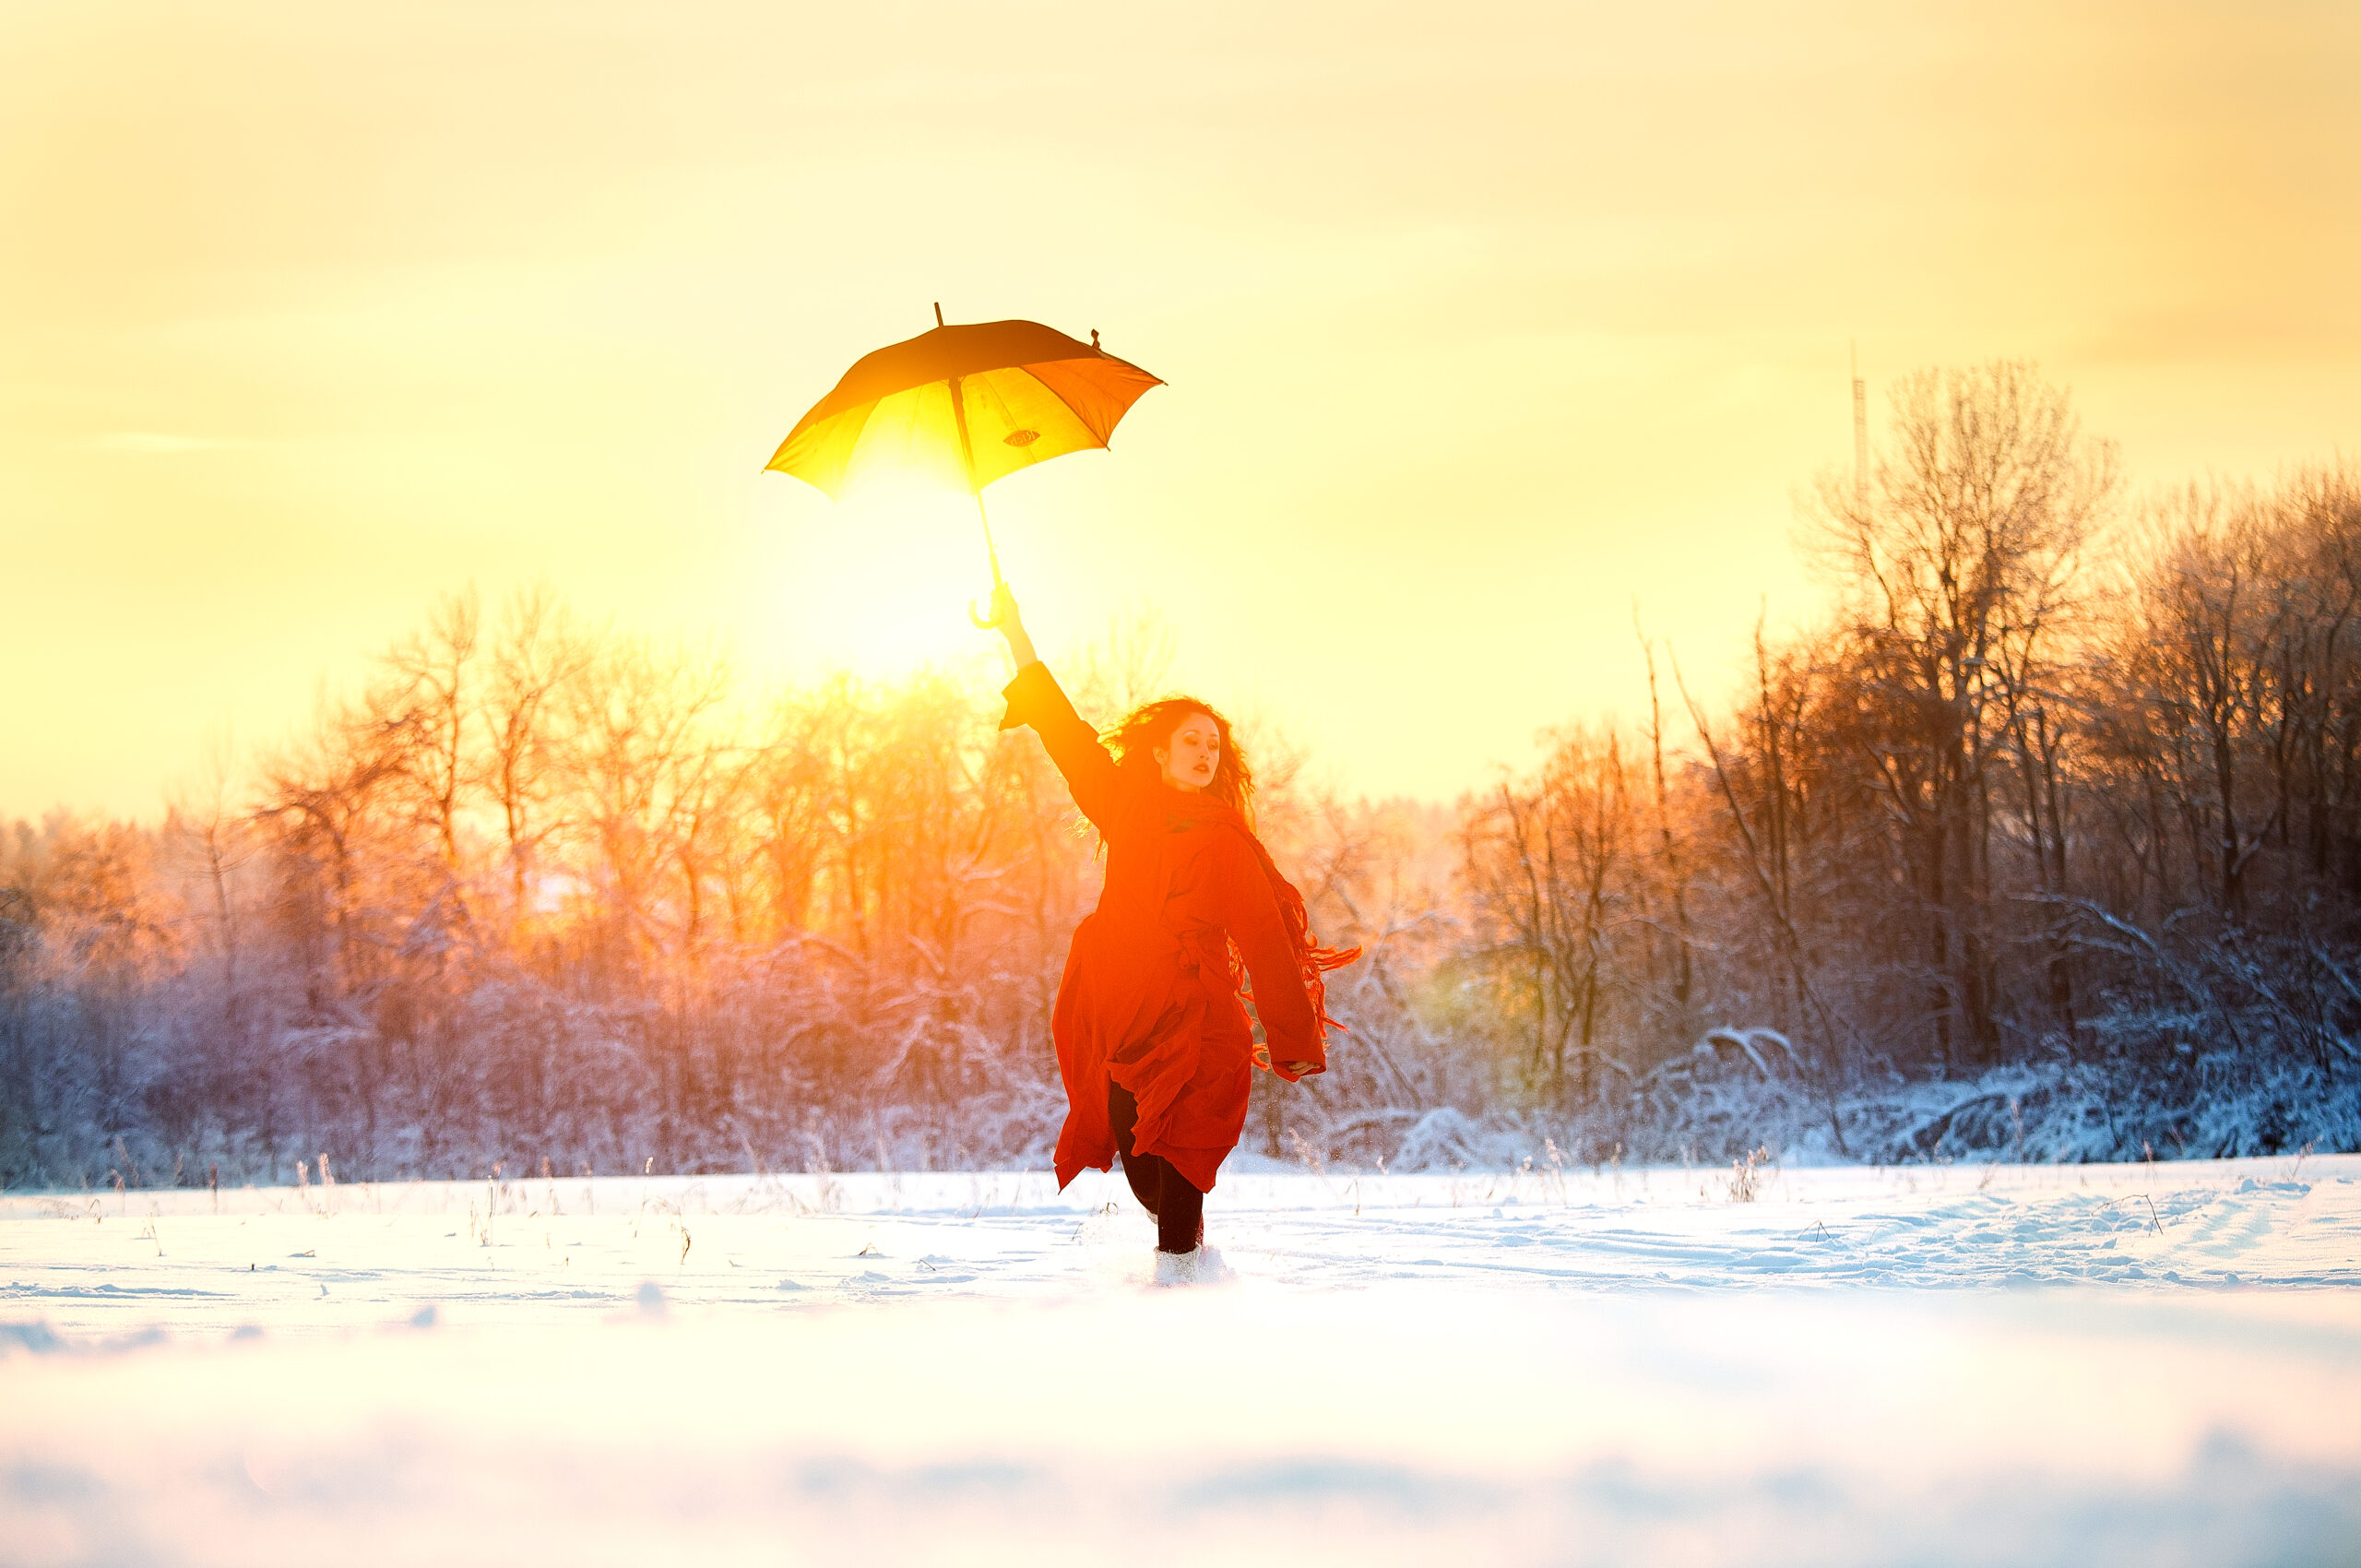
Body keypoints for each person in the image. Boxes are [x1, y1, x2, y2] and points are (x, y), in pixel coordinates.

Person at [983, 583, 1357, 1284]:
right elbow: (1065, 734)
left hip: (1196, 1017)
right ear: (1157, 752)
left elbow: (1266, 939)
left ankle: (1183, 1302)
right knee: (1146, 1180)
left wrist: (1294, 1038)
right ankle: (1190, 1269)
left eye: (1213, 744)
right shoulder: (1122, 804)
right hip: (1124, 1013)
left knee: (1183, 1154)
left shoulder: (1225, 842)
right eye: (1190, 740)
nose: (1205, 752)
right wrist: (1015, 631)